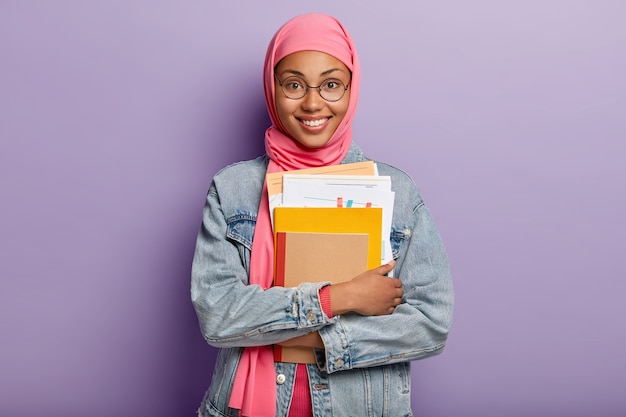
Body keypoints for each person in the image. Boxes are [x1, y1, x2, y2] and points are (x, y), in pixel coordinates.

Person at [191, 13, 454, 417]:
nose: (313, 103)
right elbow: (218, 314)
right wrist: (340, 298)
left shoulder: (398, 191)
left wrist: (316, 339)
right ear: (272, 88)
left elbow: (430, 322)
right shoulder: (233, 189)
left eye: (331, 85)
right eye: (293, 84)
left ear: (352, 89)